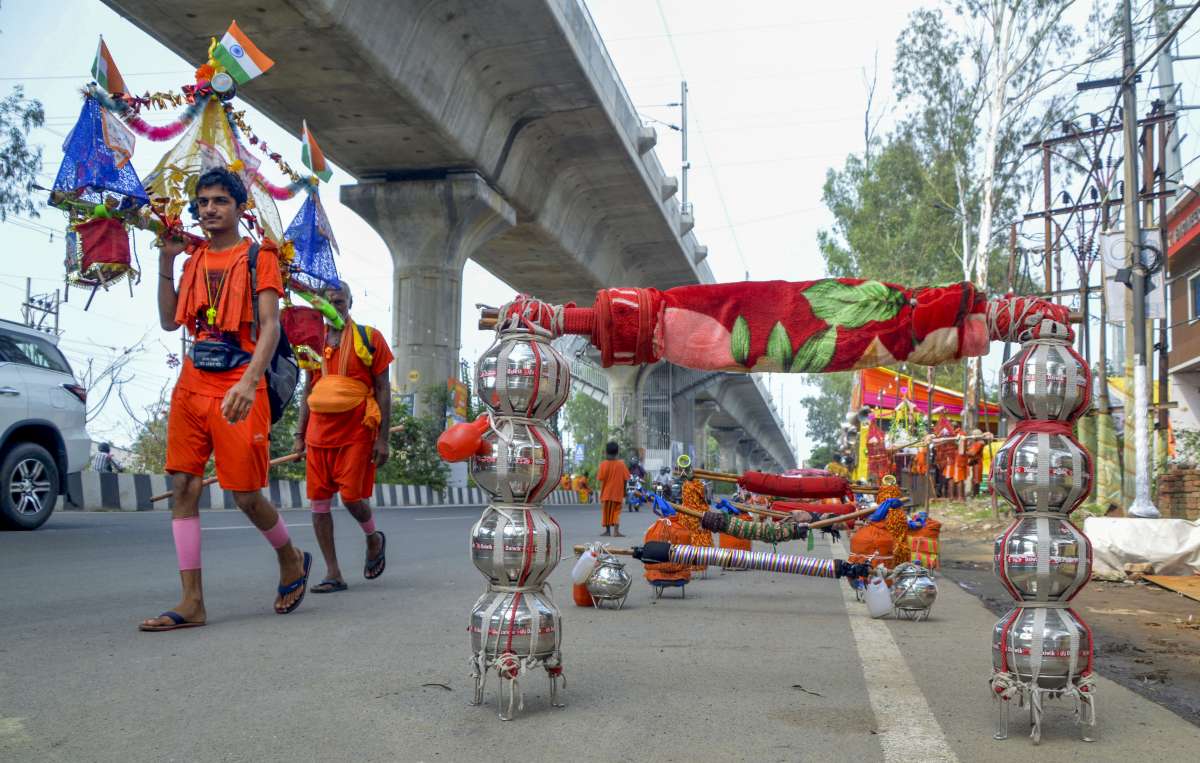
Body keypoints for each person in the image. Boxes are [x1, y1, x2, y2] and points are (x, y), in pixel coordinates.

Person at [141, 167, 310, 632]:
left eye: (219, 201)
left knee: (244, 495)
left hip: (240, 381)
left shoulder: (260, 258)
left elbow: (271, 327)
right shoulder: (193, 259)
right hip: (193, 383)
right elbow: (169, 323)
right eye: (202, 202)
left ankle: (290, 557)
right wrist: (166, 263)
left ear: (240, 208)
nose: (208, 210)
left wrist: (248, 382)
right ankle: (192, 601)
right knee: (183, 487)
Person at [293, 281, 393, 593]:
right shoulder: (311, 341)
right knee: (318, 505)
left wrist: (384, 438)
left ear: (350, 303)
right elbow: (308, 390)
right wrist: (299, 436)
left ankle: (373, 537)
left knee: (351, 496)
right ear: (318, 306)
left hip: (357, 430)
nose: (336, 307)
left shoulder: (369, 337)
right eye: (330, 302)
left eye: (341, 301)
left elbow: (383, 389)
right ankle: (333, 572)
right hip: (317, 434)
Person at [596, 440, 631, 537]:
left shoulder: (603, 464)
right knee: (616, 512)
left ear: (606, 452)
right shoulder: (621, 464)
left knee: (606, 513)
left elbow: (601, 479)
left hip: (606, 494)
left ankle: (607, 531)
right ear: (617, 452)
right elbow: (625, 479)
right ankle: (616, 531)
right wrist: (624, 491)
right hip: (617, 493)